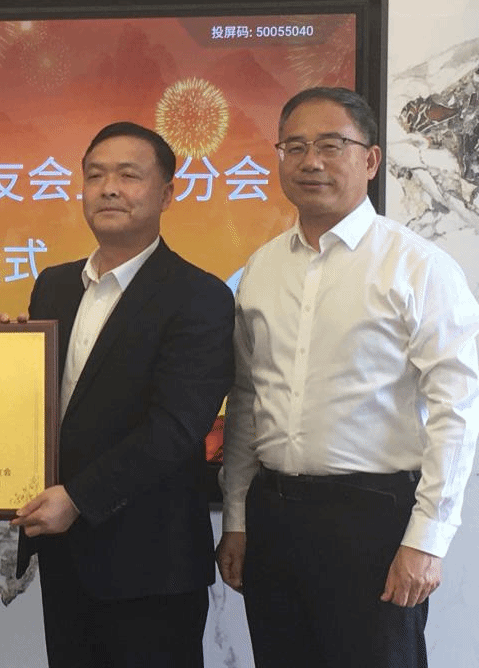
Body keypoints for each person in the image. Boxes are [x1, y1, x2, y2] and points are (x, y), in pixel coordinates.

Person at [217, 87, 479, 668]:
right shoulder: (261, 268)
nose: (311, 161)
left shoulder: (417, 266)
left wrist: (427, 540)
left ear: (371, 159)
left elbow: (456, 408)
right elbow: (247, 401)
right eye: (295, 146)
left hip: (374, 520)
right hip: (274, 517)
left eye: (331, 145)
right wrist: (237, 519)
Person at [11, 121, 235, 668]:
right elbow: (54, 407)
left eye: (128, 176)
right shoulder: (54, 285)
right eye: (95, 176)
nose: (108, 188)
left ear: (167, 193)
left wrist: (78, 499)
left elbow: (176, 428)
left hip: (151, 565)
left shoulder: (199, 296)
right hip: (65, 556)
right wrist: (7, 358)